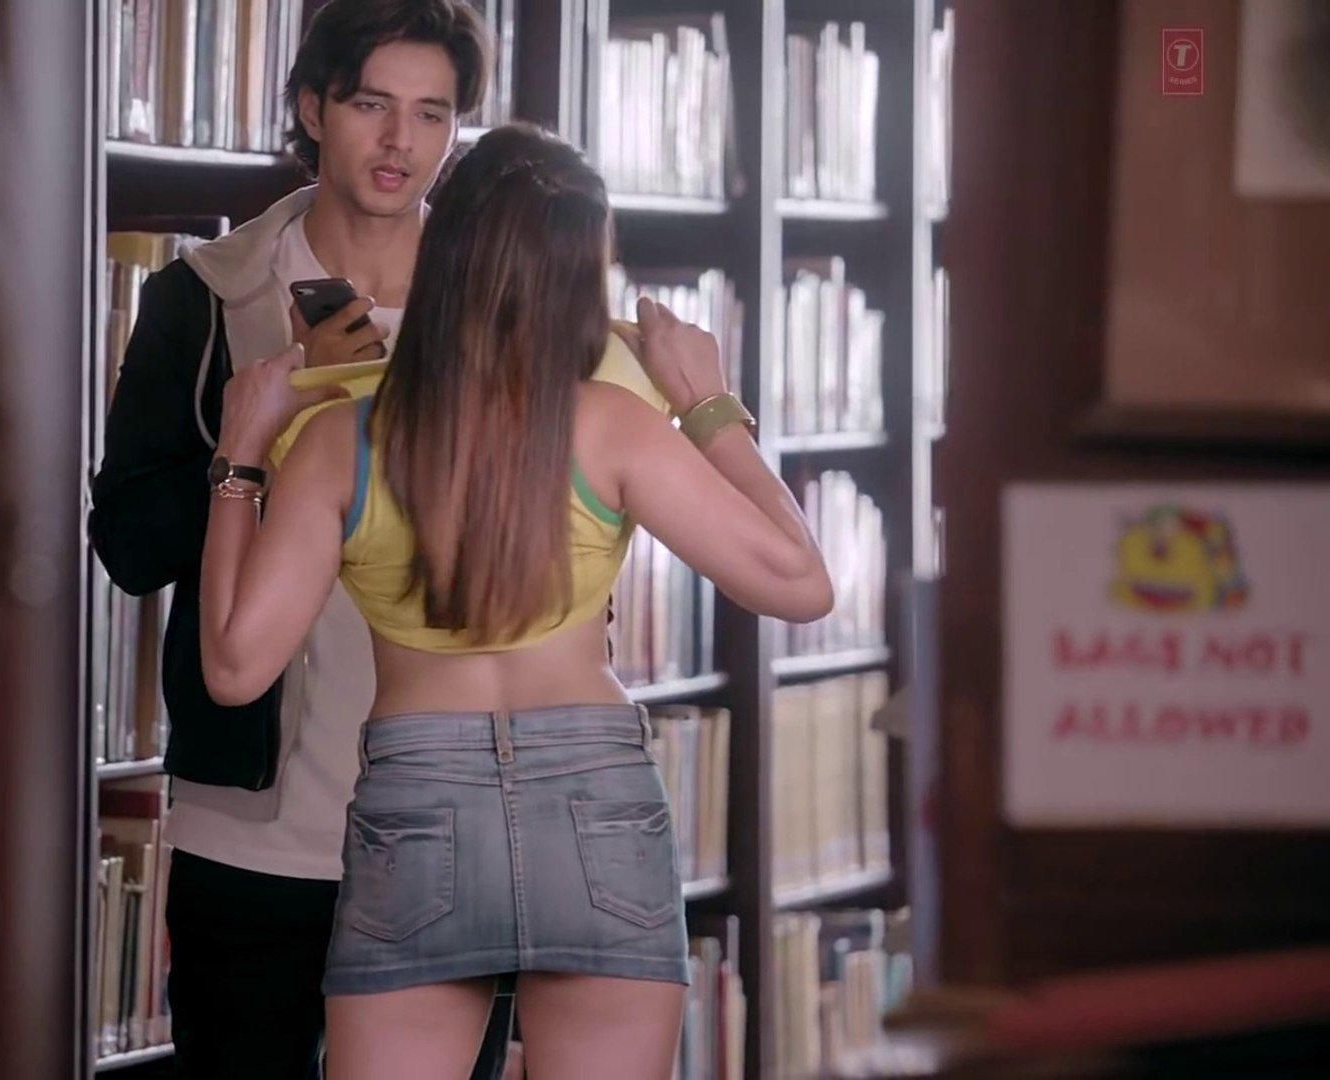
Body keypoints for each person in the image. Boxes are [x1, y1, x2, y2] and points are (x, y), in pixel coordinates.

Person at [197, 124, 834, 1080]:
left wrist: (240, 456)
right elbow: (802, 584)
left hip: (417, 799)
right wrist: (707, 404)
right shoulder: (613, 426)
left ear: (442, 251)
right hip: (596, 791)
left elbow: (233, 668)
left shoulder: (340, 440)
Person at [87, 3, 518, 1076]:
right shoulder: (207, 298)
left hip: (456, 825)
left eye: (432, 114)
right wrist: (269, 437)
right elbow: (129, 545)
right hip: (251, 831)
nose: (400, 142)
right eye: (372, 104)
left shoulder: (501, 308)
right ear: (313, 109)